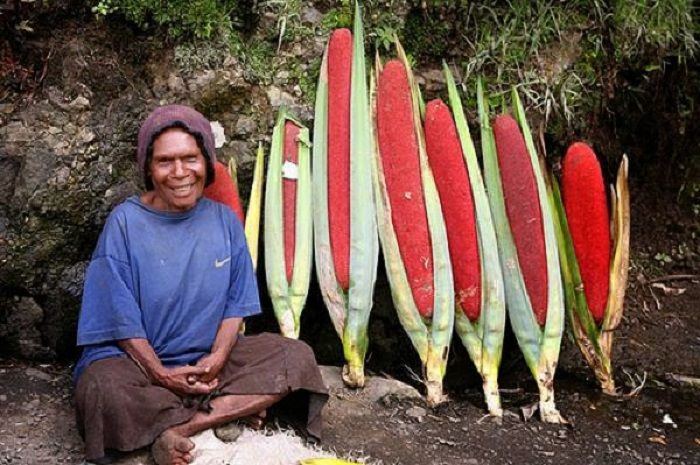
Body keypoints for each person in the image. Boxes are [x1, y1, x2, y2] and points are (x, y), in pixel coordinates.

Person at [73, 105, 328, 465]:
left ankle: (178, 430)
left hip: (209, 362)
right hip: (137, 363)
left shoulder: (224, 221)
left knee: (295, 357)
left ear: (206, 162)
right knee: (102, 388)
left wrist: (217, 358)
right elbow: (119, 316)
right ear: (149, 168)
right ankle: (229, 412)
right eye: (165, 161)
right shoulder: (125, 223)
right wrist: (161, 374)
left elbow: (234, 305)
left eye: (190, 158)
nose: (179, 172)